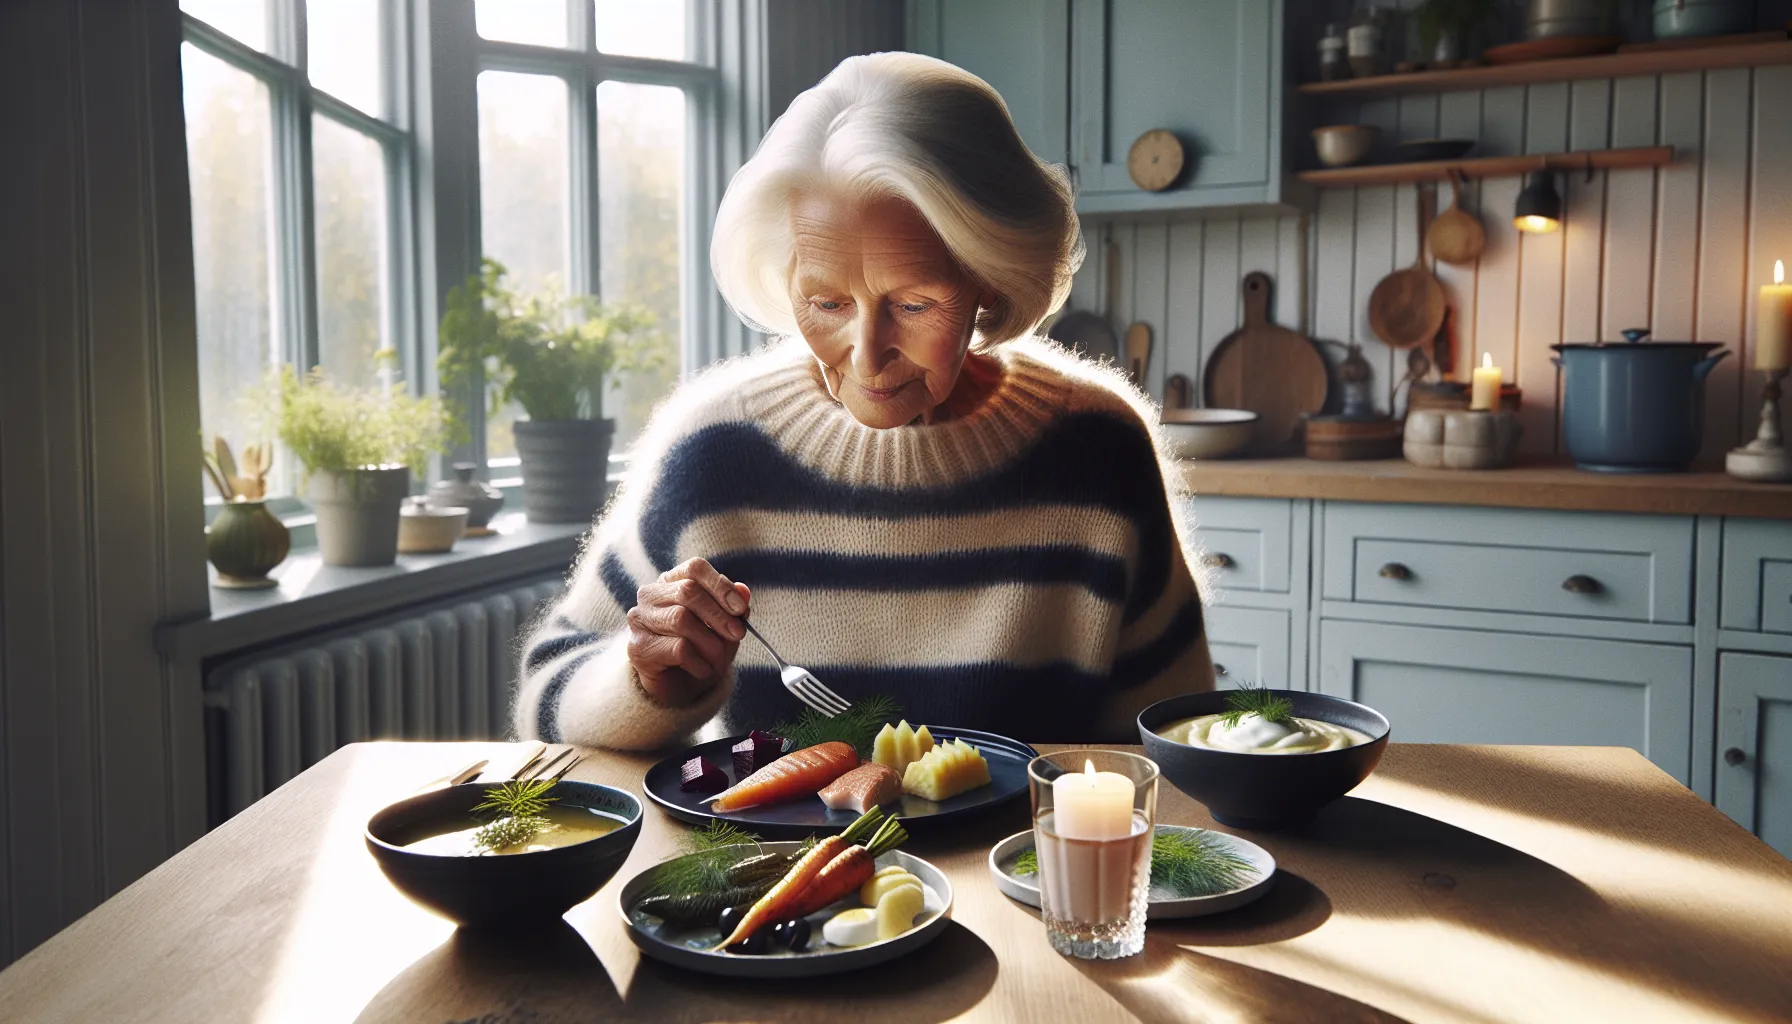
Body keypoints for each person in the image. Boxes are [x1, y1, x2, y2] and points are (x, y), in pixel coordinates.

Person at [514, 52, 1214, 750]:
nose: (867, 352)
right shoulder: (715, 446)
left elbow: (1176, 738)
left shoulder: (1096, 446)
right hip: (774, 863)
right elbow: (546, 693)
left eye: (913, 304)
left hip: (1020, 861)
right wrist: (647, 682)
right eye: (825, 301)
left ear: (989, 282)